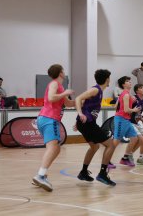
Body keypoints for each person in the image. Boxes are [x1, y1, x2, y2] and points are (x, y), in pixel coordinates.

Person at [32, 64, 75, 192]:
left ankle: (42, 174)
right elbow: (51, 98)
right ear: (61, 73)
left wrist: (83, 101)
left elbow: (68, 103)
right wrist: (65, 93)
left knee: (55, 149)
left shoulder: (60, 86)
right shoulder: (55, 84)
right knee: (53, 148)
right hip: (49, 119)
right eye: (63, 70)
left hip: (45, 119)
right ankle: (40, 175)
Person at [75, 69, 117, 186]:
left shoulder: (99, 91)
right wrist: (80, 114)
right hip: (87, 124)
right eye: (109, 78)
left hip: (85, 123)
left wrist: (78, 120)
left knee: (94, 147)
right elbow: (78, 98)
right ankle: (102, 174)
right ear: (107, 79)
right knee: (110, 144)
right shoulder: (95, 90)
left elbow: (85, 104)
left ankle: (83, 172)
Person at [113, 76, 140, 167]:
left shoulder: (125, 94)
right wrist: (134, 110)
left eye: (130, 81)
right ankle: (107, 160)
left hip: (126, 120)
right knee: (116, 141)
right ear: (123, 84)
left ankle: (125, 158)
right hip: (121, 119)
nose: (130, 82)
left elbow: (116, 106)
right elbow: (126, 110)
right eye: (127, 81)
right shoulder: (126, 94)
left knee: (134, 138)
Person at [124, 83, 143, 165]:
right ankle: (128, 155)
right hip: (129, 122)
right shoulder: (133, 99)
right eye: (141, 88)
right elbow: (127, 110)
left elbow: (137, 114)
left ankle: (141, 157)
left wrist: (142, 119)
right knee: (140, 138)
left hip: (136, 122)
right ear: (136, 91)